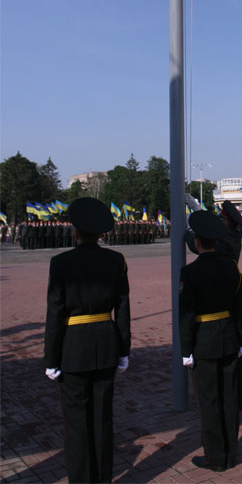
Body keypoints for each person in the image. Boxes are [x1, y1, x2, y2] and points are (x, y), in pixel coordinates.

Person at [44, 197, 131, 484]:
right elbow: (123, 307)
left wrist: (51, 358)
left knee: (76, 423)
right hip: (106, 344)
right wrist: (123, 349)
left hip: (73, 347)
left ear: (75, 231)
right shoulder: (115, 260)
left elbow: (55, 312)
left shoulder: (60, 263)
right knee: (102, 418)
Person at [179, 210, 242, 472]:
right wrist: (241, 339)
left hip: (203, 342)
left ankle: (215, 457)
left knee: (208, 401)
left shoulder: (189, 272)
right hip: (229, 338)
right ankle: (230, 452)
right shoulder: (231, 268)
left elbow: (186, 316)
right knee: (229, 399)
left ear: (197, 242)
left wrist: (186, 350)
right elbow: (240, 308)